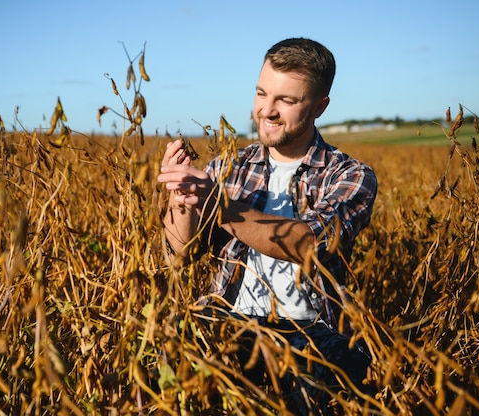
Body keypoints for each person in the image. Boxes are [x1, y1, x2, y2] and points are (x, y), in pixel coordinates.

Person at [157, 37, 378, 412]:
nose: (266, 111)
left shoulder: (350, 175)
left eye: (286, 101)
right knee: (166, 360)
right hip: (230, 318)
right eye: (262, 94)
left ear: (319, 106)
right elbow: (177, 254)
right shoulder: (228, 168)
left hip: (313, 331)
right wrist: (181, 196)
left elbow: (307, 243)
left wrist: (221, 206)